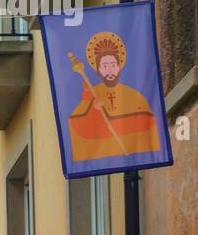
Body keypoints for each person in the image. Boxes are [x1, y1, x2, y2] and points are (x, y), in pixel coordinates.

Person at [68, 31, 160, 163]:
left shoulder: (134, 94)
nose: (110, 70)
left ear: (119, 67)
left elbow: (149, 123)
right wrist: (93, 109)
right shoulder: (92, 93)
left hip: (133, 152)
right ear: (98, 69)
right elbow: (76, 124)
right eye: (105, 66)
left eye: (113, 65)